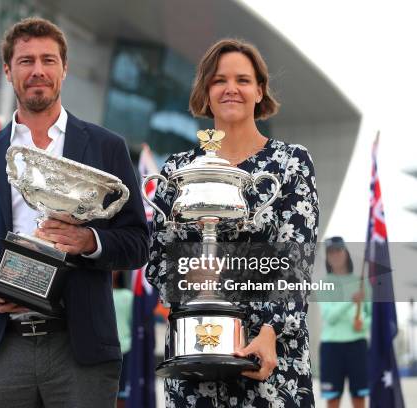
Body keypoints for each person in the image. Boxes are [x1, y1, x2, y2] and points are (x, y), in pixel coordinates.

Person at [0, 17, 149, 408]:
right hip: (1, 347)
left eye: (48, 60)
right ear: (8, 71)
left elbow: (138, 243)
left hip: (81, 349)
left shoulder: (107, 148)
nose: (38, 71)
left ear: (64, 69)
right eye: (26, 61)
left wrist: (89, 241)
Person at [146, 39, 319, 407]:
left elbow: (296, 262)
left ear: (260, 90)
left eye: (243, 79)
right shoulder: (177, 171)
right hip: (195, 351)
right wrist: (190, 283)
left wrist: (272, 329)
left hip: (271, 355)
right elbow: (159, 258)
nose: (231, 89)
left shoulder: (291, 164)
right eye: (219, 80)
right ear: (206, 93)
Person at [319, 236, 370, 408]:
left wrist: (364, 324)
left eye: (338, 250)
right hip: (331, 347)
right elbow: (329, 317)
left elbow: (371, 315)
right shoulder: (324, 283)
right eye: (330, 252)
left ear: (346, 253)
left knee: (359, 396)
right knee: (332, 398)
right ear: (327, 257)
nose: (335, 255)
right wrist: (350, 300)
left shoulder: (362, 283)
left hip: (358, 346)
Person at [112, 271, 134, 407]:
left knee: (122, 395)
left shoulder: (128, 296)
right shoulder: (96, 296)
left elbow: (134, 324)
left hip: (125, 350)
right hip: (103, 351)